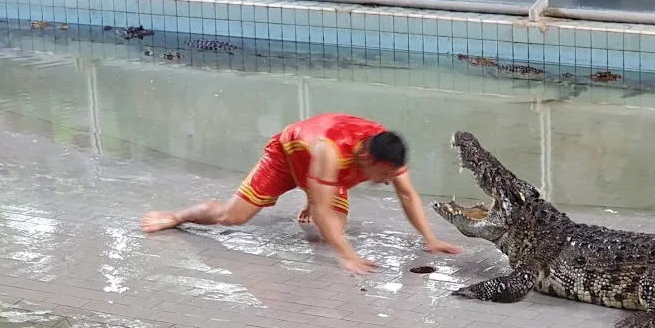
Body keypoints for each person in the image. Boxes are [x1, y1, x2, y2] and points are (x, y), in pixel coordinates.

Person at [140, 114, 463, 275]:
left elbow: (407, 194)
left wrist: (430, 238)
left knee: (329, 231)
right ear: (367, 160)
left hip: (321, 173)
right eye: (384, 176)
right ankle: (177, 215)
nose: (386, 182)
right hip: (287, 156)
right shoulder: (331, 153)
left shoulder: (386, 151)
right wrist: (347, 255)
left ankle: (311, 190)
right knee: (233, 217)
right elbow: (323, 211)